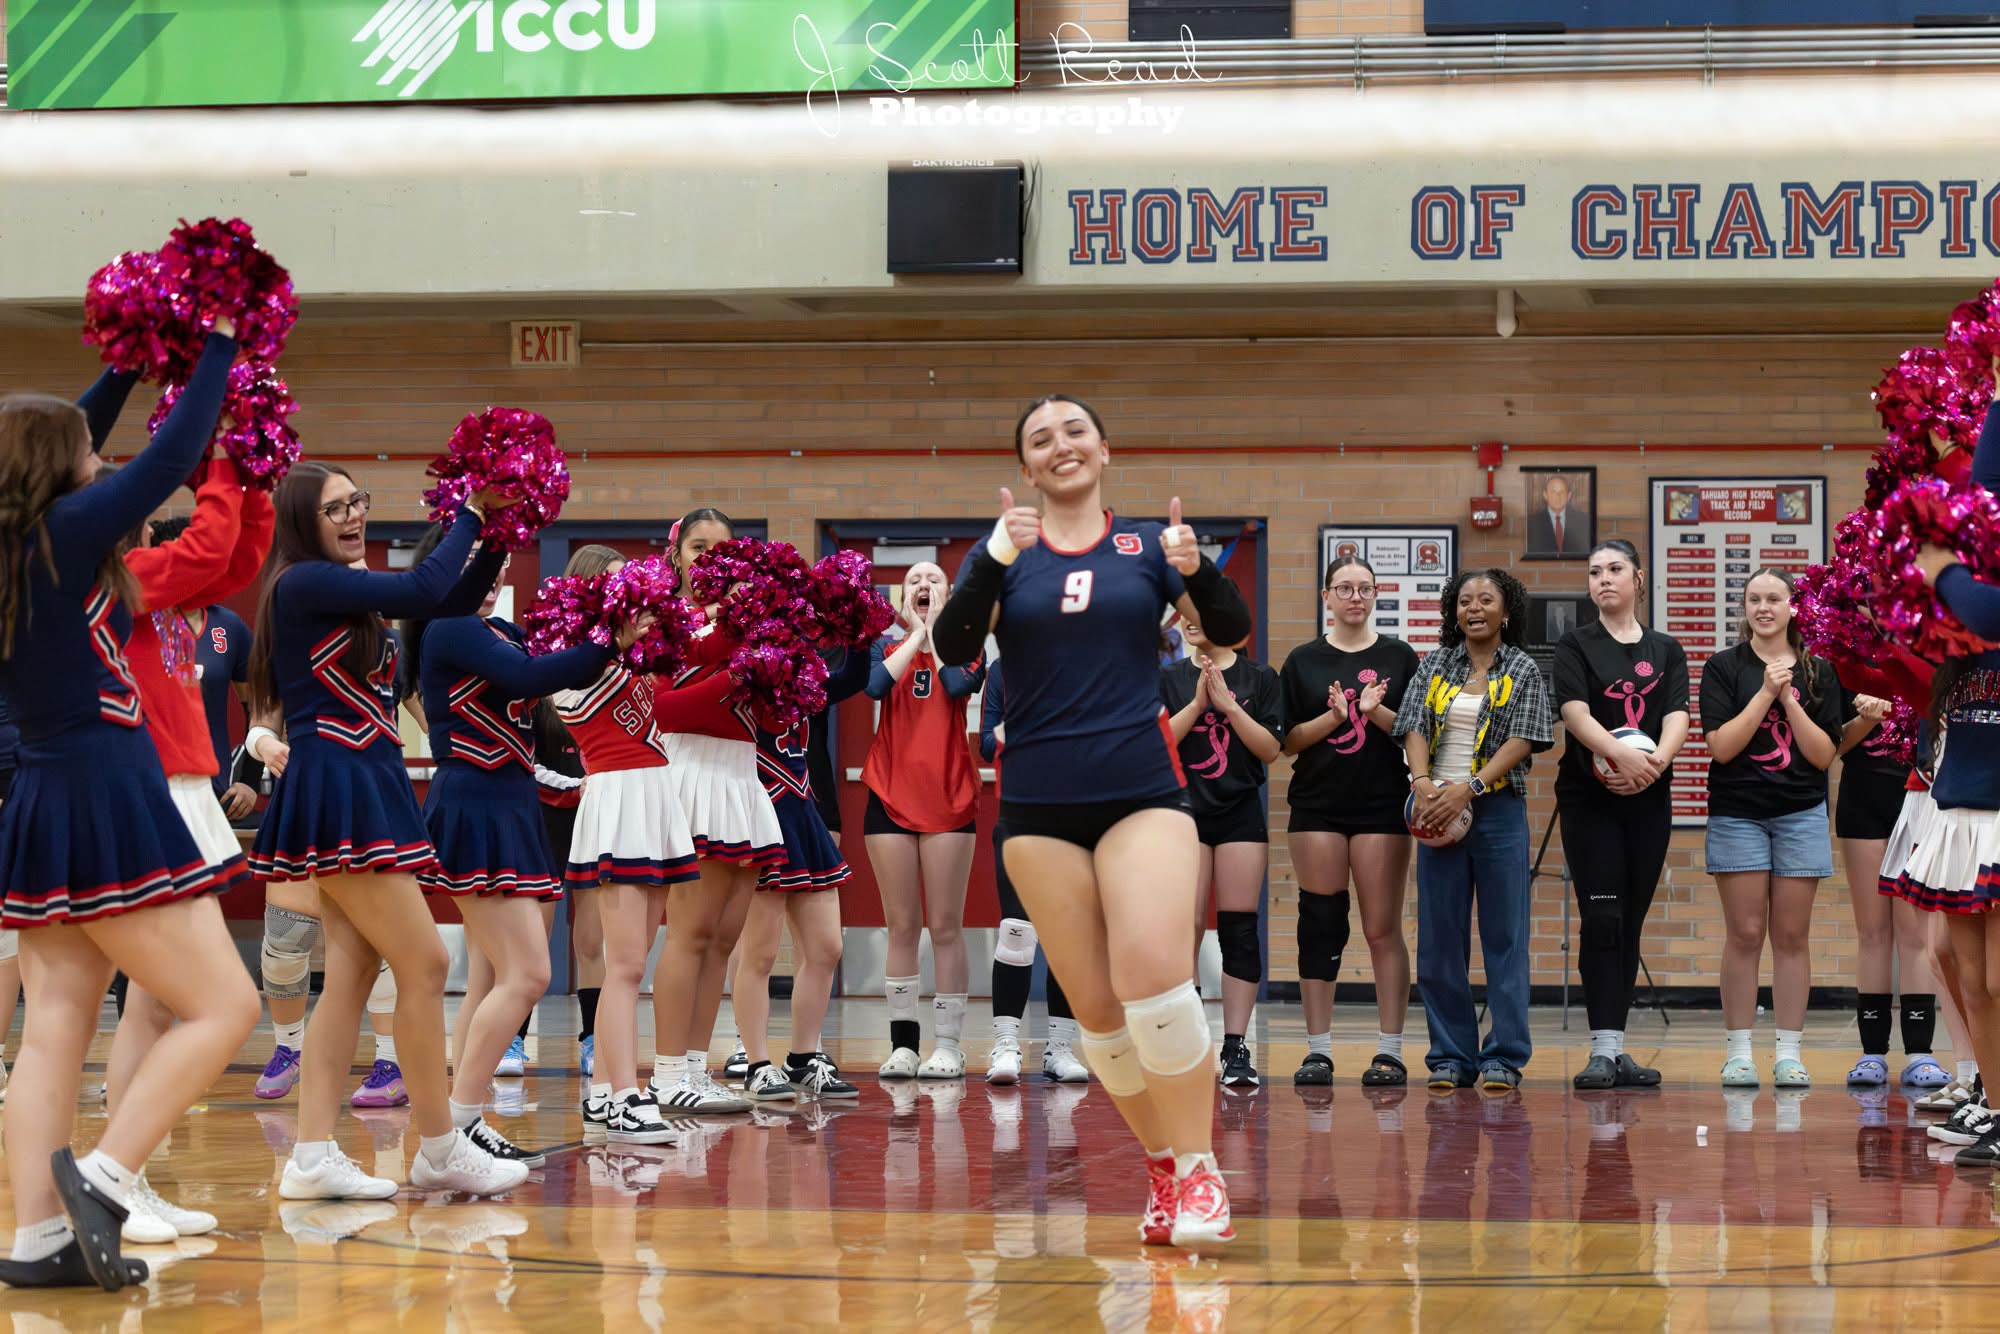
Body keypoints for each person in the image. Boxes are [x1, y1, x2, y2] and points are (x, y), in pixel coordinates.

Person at [930, 393, 1253, 1248]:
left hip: (1143, 792)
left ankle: (1199, 1171)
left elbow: (1231, 629)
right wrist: (990, 562)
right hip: (1037, 809)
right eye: (1040, 439)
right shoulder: (1006, 555)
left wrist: (1201, 570)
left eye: (1075, 431)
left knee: (1154, 973)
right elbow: (950, 647)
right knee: (1101, 1016)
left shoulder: (1150, 546)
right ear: (1026, 469)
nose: (1060, 445)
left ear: (1104, 450)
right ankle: (1158, 1161)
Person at [0, 329, 259, 1292]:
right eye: (82, 454)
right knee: (225, 1004)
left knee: (55, 1024)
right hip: (103, 786)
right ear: (53, 473)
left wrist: (132, 358)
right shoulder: (62, 538)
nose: (98, 458)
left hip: (48, 789)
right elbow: (167, 459)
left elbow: (82, 435)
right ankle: (104, 1185)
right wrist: (218, 350)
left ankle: (36, 1242)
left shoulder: (20, 536)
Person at [247, 460, 529, 1199]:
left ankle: (311, 1156)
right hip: (339, 787)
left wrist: (500, 532)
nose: (352, 517)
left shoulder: (344, 591)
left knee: (350, 977)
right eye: (335, 507)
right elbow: (423, 588)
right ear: (303, 521)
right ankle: (438, 1145)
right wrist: (472, 507)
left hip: (366, 783)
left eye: (357, 502)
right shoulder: (304, 583)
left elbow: (447, 602)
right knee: (428, 964)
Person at [404, 528, 638, 1168]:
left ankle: (462, 1123)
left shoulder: (501, 632)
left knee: (502, 973)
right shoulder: (448, 628)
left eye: (501, 565)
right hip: (475, 801)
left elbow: (551, 672)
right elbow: (532, 674)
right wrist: (610, 638)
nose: (495, 576)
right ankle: (452, 1128)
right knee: (526, 972)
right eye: (484, 564)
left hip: (510, 802)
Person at [100, 442, 274, 1244]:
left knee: (154, 1005)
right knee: (171, 1002)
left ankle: (125, 1175)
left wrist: (253, 472)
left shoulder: (142, 567)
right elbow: (210, 546)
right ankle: (113, 1174)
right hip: (154, 792)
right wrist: (220, 464)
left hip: (182, 788)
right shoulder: (116, 577)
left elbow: (236, 555)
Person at [551, 544, 699, 1142]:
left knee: (633, 962)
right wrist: (617, 641)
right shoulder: (571, 659)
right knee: (627, 963)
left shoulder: (637, 655)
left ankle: (605, 1093)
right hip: (615, 799)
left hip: (656, 797)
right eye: (617, 588)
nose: (632, 601)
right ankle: (625, 1093)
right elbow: (580, 711)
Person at [643, 507, 782, 1116]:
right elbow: (660, 710)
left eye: (724, 548)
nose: (712, 559)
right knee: (690, 932)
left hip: (739, 775)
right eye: (700, 547)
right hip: (688, 773)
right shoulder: (661, 620)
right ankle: (667, 1070)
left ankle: (696, 1069)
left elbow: (774, 718)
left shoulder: (757, 622)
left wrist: (778, 671)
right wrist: (738, 671)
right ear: (676, 554)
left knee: (722, 940)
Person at [1395, 566, 1553, 1093]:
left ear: (1507, 612)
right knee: (1439, 939)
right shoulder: (1435, 664)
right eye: (1465, 601)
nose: (1475, 609)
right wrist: (1423, 784)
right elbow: (1413, 724)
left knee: (1505, 938)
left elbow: (1525, 738)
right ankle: (1450, 1056)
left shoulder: (1524, 668)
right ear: (1453, 611)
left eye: (1487, 600)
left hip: (1498, 810)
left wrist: (1471, 787)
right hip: (1435, 808)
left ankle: (1503, 1057)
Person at [1895, 388, 2000, 1164]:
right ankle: (1994, 1104)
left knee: (1997, 975)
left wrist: (1940, 569)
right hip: (1962, 805)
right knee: (1971, 978)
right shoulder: (1956, 630)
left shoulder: (1978, 603)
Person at [1551, 540, 1689, 1090]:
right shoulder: (1575, 644)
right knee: (1602, 918)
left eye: (1614, 570)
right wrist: (1619, 754)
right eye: (1594, 572)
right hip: (1591, 800)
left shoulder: (1666, 647)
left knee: (1629, 920)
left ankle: (1619, 1048)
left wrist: (1654, 763)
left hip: (1648, 796)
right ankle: (1602, 1051)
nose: (1603, 579)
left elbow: (1678, 713)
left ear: (1638, 577)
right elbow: (1574, 713)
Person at [1279, 558, 1420, 1088]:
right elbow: (1286, 741)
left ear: (1376, 594)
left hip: (1382, 805)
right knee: (1320, 925)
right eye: (1344, 588)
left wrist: (1374, 712)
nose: (1354, 596)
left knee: (1381, 928)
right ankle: (1318, 1050)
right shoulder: (1303, 661)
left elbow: (1416, 734)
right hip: (1317, 805)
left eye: (1364, 588)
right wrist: (1335, 718)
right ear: (1326, 596)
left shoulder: (1399, 657)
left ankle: (1390, 1049)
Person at [1699, 567, 1842, 1089]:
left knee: (1790, 936)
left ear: (1792, 608)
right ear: (1745, 609)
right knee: (1745, 932)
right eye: (1754, 599)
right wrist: (1763, 693)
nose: (1763, 608)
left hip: (1800, 813)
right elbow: (1721, 747)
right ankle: (1738, 1053)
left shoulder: (1819, 671)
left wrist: (1789, 698)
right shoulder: (1722, 668)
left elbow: (1825, 754)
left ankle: (1788, 1054)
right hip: (1738, 814)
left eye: (1774, 599)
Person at [863, 562, 986, 1080]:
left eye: (934, 579)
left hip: (949, 797)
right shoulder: (885, 646)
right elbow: (873, 686)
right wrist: (916, 635)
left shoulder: (966, 648)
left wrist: (937, 633)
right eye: (914, 580)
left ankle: (950, 1045)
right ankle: (904, 1046)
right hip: (888, 795)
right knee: (902, 926)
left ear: (950, 594)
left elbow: (957, 686)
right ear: (900, 595)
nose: (923, 585)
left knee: (945, 926)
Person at [728, 646, 868, 1102]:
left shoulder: (804, 676)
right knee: (761, 953)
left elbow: (852, 679)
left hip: (802, 810)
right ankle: (756, 1062)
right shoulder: (736, 669)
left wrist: (858, 630)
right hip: (759, 812)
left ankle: (805, 1058)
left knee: (827, 946)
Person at [1160, 615, 1281, 1089]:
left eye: (1201, 608)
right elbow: (1156, 742)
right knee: (1184, 926)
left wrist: (1230, 707)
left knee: (1239, 930)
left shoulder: (1260, 677)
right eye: (1184, 610)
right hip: (1183, 813)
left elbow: (1271, 749)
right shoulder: (1167, 678)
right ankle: (1188, 1044)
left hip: (1239, 814)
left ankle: (1235, 1047)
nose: (1191, 619)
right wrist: (1196, 704)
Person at [1836, 688, 1951, 1089]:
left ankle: (1921, 1054)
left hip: (1919, 800)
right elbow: (1833, 746)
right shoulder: (1843, 658)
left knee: (1916, 934)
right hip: (1861, 801)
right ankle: (1872, 1053)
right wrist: (1868, 718)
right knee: (1872, 930)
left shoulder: (1924, 656)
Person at [980, 658, 1088, 1085]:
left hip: (1075, 816)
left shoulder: (1089, 665)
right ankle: (1006, 1043)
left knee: (1068, 936)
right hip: (1020, 812)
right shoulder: (1004, 668)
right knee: (1017, 932)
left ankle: (1059, 1047)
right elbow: (987, 743)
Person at [1528, 474, 1591, 558]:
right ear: (1545, 495)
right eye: (1553, 492)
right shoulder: (1531, 523)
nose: (1557, 496)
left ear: (1568, 496)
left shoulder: (1584, 521)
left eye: (1562, 492)